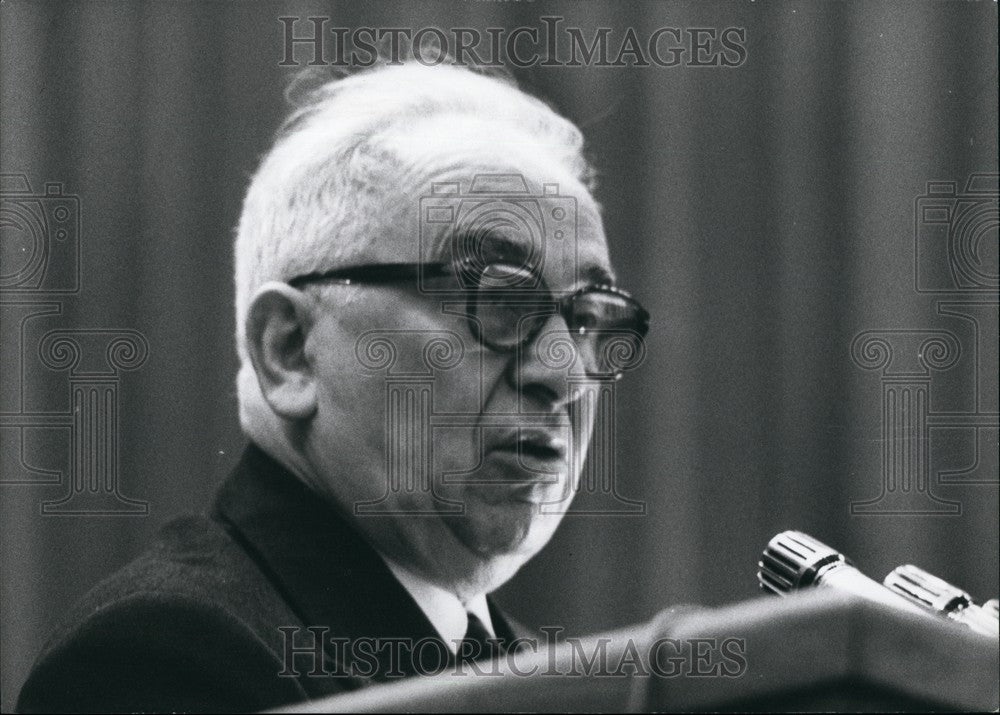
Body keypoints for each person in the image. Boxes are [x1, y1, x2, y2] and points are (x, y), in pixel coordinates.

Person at [16, 60, 649, 713]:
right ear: (290, 351)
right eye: (499, 299)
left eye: (586, 318)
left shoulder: (555, 683)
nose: (565, 374)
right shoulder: (162, 659)